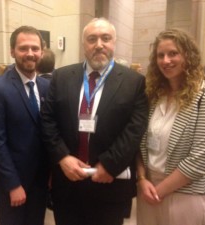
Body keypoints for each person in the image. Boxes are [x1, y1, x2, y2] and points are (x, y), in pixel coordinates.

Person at [41, 17, 148, 225]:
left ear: (114, 42)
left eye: (105, 38)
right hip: (68, 182)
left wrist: (110, 164)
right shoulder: (61, 77)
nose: (99, 45)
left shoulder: (134, 82)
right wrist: (63, 157)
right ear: (84, 45)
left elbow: (134, 130)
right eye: (92, 39)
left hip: (110, 181)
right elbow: (47, 120)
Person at [136, 29, 205, 225]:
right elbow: (139, 143)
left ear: (188, 56)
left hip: (185, 195)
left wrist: (160, 191)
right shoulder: (153, 96)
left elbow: (201, 157)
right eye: (161, 55)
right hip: (148, 188)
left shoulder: (203, 97)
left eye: (173, 53)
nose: (166, 61)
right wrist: (141, 179)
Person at [0, 26, 50, 225]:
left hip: (40, 182)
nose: (30, 53)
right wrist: (13, 185)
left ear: (42, 51)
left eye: (35, 48)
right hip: (11, 183)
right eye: (23, 48)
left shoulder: (47, 87)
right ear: (12, 51)